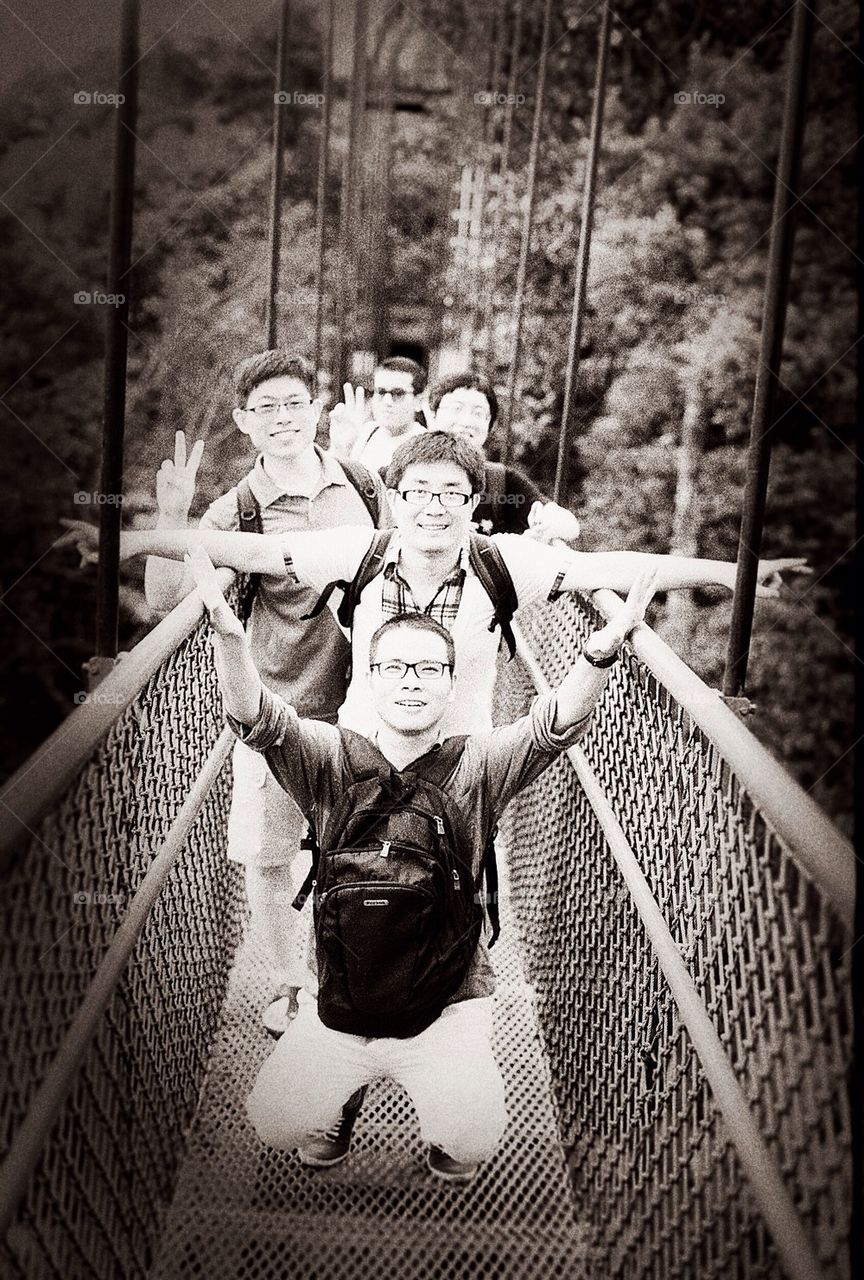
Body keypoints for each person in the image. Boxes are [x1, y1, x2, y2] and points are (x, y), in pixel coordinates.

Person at [186, 543, 660, 1180]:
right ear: (371, 675)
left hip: (447, 1003)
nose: (412, 680)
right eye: (397, 666)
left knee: (470, 1142)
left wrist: (601, 651)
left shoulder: (477, 764)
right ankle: (341, 1097)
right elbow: (256, 719)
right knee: (274, 1122)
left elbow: (556, 726)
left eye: (429, 669)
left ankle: (444, 1122)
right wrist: (228, 640)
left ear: (451, 679)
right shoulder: (331, 758)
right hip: (339, 1003)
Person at [65, 432, 810, 743]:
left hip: (459, 761)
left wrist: (740, 576)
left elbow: (620, 567)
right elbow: (229, 548)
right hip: (355, 758)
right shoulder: (357, 550)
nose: (433, 507)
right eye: (418, 491)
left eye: (451, 493)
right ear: (398, 496)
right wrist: (122, 542)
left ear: (471, 500)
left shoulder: (503, 561)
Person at [143, 350, 390, 1034]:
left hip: (366, 708)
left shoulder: (366, 488)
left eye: (294, 403)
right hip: (276, 708)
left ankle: (345, 978)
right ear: (243, 423)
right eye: (266, 408)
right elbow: (167, 603)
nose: (283, 419)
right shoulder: (236, 511)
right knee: (270, 854)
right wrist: (172, 522)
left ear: (315, 411)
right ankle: (289, 983)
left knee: (361, 852)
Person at [430, 369, 581, 544]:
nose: (466, 422)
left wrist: (543, 528)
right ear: (433, 415)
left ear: (489, 425)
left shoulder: (499, 481)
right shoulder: (404, 473)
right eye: (457, 409)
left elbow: (568, 525)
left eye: (478, 413)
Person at [328, 356, 427, 472]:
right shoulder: (363, 433)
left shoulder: (425, 446)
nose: (387, 401)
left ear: (418, 401)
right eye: (381, 392)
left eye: (398, 393)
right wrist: (340, 448)